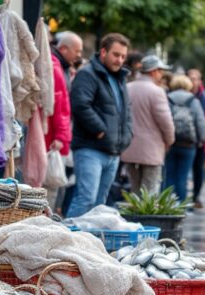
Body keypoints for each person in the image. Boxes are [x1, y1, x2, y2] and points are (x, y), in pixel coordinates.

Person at [67, 33, 133, 218]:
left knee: (99, 205)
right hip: (90, 149)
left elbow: (126, 110)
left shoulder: (120, 78)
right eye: (115, 54)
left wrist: (127, 136)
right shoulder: (87, 74)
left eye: (122, 56)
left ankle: (88, 244)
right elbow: (80, 104)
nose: (119, 60)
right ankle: (66, 239)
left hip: (113, 151)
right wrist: (100, 130)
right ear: (103, 52)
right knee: (86, 199)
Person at [120, 56, 175, 195]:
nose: (161, 75)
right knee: (150, 190)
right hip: (152, 149)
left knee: (135, 189)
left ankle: (134, 216)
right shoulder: (156, 91)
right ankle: (147, 217)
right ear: (153, 71)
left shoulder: (127, 88)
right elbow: (165, 121)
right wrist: (170, 140)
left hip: (129, 146)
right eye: (160, 71)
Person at [44, 32, 81, 211]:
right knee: (49, 188)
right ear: (63, 48)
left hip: (53, 136)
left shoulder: (58, 66)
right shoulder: (54, 66)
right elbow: (60, 106)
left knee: (51, 187)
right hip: (52, 139)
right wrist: (61, 135)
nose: (79, 55)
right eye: (77, 51)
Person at [164, 75, 205, 203]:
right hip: (188, 144)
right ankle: (182, 205)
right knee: (183, 176)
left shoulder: (168, 98)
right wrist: (201, 139)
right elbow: (200, 122)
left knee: (168, 175)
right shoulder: (194, 101)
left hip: (170, 142)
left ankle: (165, 205)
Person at [187, 69, 205, 209]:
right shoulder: (182, 95)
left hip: (201, 140)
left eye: (195, 78)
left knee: (198, 169)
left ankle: (196, 195)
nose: (193, 81)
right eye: (190, 78)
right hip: (185, 139)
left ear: (200, 81)